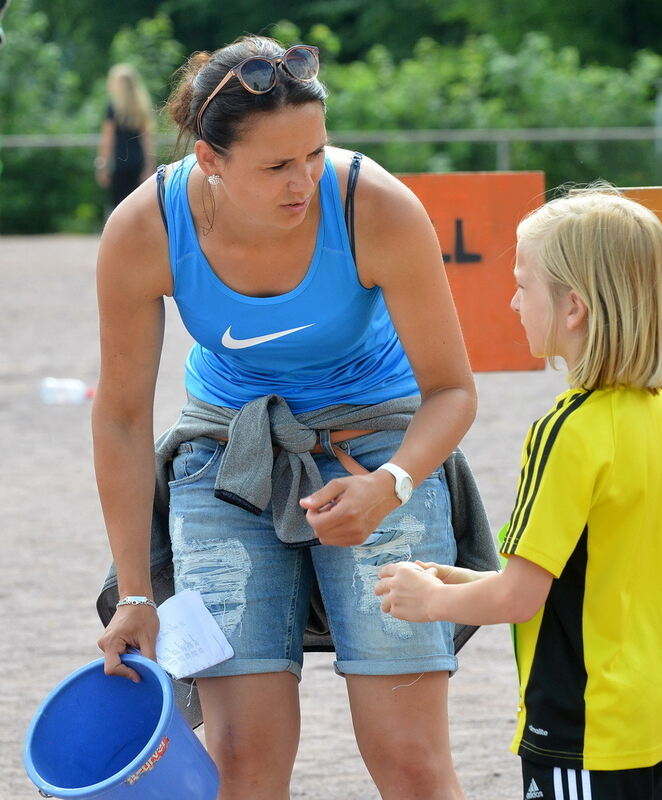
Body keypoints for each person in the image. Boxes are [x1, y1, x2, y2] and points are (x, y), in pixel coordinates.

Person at [93, 34, 498, 800]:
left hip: (378, 443)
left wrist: (394, 483)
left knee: (408, 759)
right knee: (243, 761)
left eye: (314, 153)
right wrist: (139, 596)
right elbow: (118, 418)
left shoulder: (371, 204)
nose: (304, 180)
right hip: (228, 455)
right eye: (277, 166)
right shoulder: (146, 227)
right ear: (209, 162)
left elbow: (453, 390)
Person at [376, 187, 662, 800]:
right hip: (642, 712)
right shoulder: (653, 413)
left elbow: (519, 597)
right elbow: (583, 579)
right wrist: (454, 580)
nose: (513, 300)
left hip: (579, 720)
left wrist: (428, 602)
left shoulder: (565, 432)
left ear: (573, 306)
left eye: (524, 284)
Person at [95, 63, 155, 209]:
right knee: (139, 207)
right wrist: (149, 166)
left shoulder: (113, 107)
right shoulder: (141, 107)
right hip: (138, 162)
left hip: (120, 163)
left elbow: (108, 140)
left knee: (119, 207)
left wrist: (102, 164)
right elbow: (147, 140)